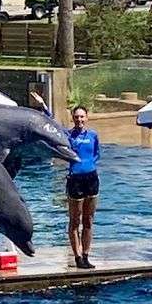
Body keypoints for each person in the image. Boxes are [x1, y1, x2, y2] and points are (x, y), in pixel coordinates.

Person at [65, 105, 100, 270]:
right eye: (76, 117)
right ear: (72, 118)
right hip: (75, 179)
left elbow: (96, 153)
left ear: (87, 118)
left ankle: (86, 255)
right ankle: (77, 256)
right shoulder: (68, 135)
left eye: (82, 117)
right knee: (75, 220)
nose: (79, 120)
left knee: (88, 220)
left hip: (91, 178)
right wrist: (44, 106)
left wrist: (90, 165)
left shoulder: (93, 135)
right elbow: (52, 127)